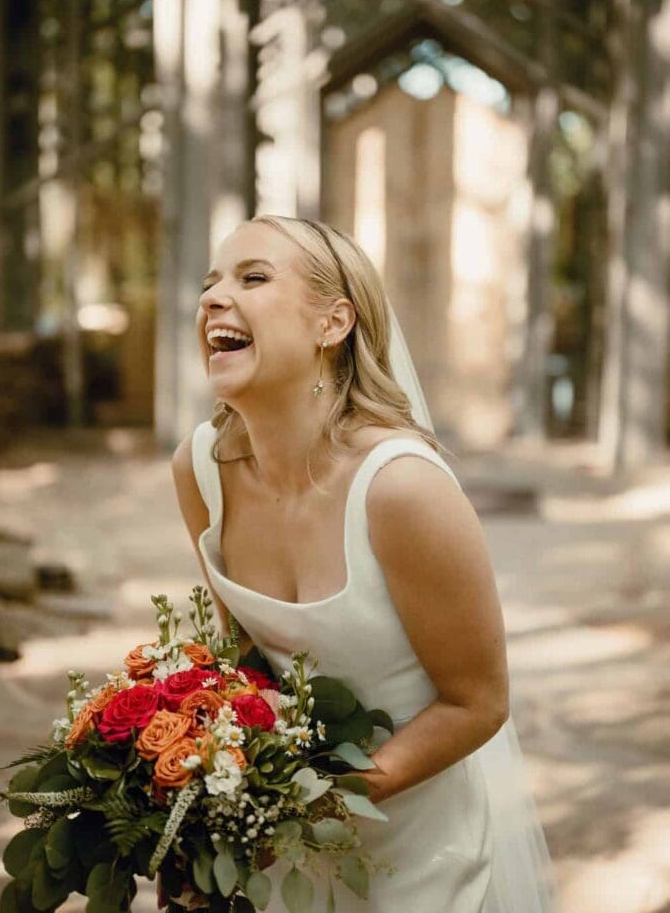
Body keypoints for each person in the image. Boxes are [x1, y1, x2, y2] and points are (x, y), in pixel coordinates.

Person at [172, 215, 555, 912]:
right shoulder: (200, 470)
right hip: (275, 863)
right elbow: (243, 668)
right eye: (210, 283)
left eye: (252, 278)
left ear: (333, 323)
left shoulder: (401, 488)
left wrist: (308, 806)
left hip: (418, 854)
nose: (213, 298)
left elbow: (477, 702)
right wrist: (208, 812)